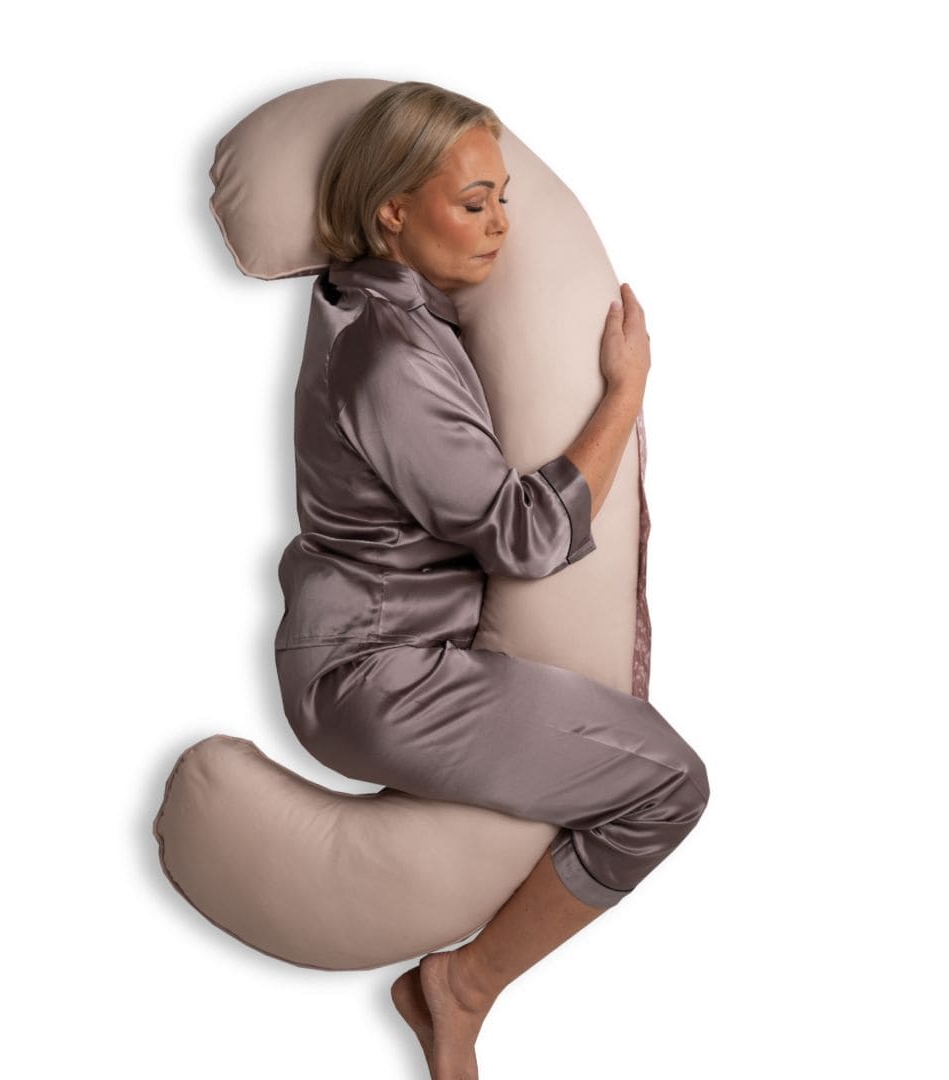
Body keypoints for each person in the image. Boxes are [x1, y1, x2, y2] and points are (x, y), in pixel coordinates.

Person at [273, 81, 710, 1080]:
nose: (502, 226)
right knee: (669, 786)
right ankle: (461, 985)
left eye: (504, 198)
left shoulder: (386, 309)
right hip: (374, 674)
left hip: (386, 650)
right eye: (474, 204)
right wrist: (626, 393)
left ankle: (459, 987)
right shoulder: (388, 357)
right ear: (392, 210)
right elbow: (522, 538)